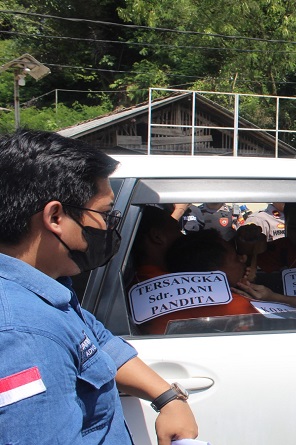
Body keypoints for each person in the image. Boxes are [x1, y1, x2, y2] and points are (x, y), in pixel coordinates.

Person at [0, 130, 198, 444]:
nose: (107, 226)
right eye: (103, 213)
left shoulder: (47, 288)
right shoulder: (23, 335)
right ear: (55, 216)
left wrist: (168, 398)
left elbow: (96, 341)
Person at [138, 229, 259, 335]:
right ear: (215, 271)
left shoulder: (153, 288)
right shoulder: (239, 306)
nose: (243, 259)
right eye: (236, 258)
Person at [131, 205, 184, 283]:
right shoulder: (172, 284)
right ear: (157, 236)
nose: (182, 236)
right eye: (177, 229)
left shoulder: (134, 280)